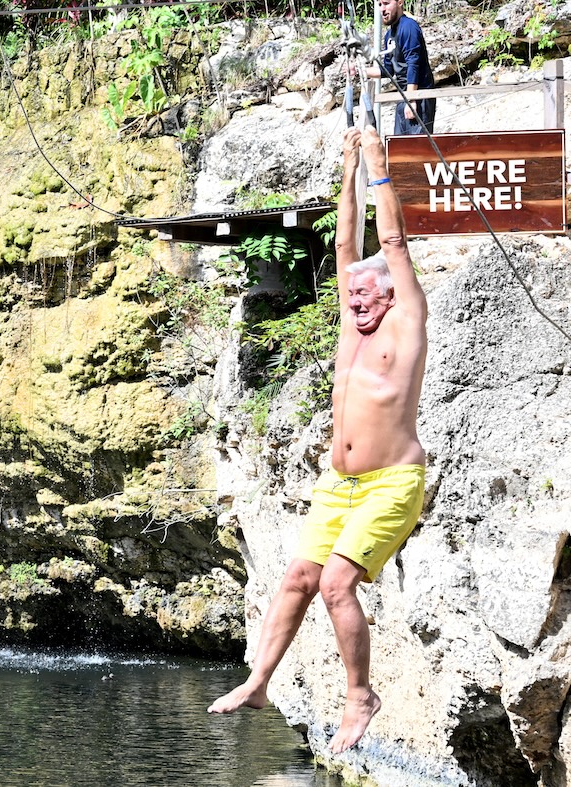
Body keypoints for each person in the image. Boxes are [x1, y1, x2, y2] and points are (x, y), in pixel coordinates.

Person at [207, 125, 427, 755]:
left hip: (391, 483)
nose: (354, 299)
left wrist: (380, 167)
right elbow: (347, 242)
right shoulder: (351, 328)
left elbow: (390, 241)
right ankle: (258, 681)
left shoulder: (406, 321)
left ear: (390, 295)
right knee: (299, 578)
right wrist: (348, 169)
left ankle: (361, 696)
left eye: (365, 292)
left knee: (335, 584)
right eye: (350, 292)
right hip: (339, 484)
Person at [369, 0, 436, 135]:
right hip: (403, 96)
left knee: (417, 150)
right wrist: (361, 71)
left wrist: (411, 100)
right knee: (398, 148)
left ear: (400, 2)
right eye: (380, 5)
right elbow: (387, 70)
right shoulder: (389, 35)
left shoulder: (409, 26)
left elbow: (413, 64)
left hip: (418, 97)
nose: (383, 9)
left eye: (386, 3)